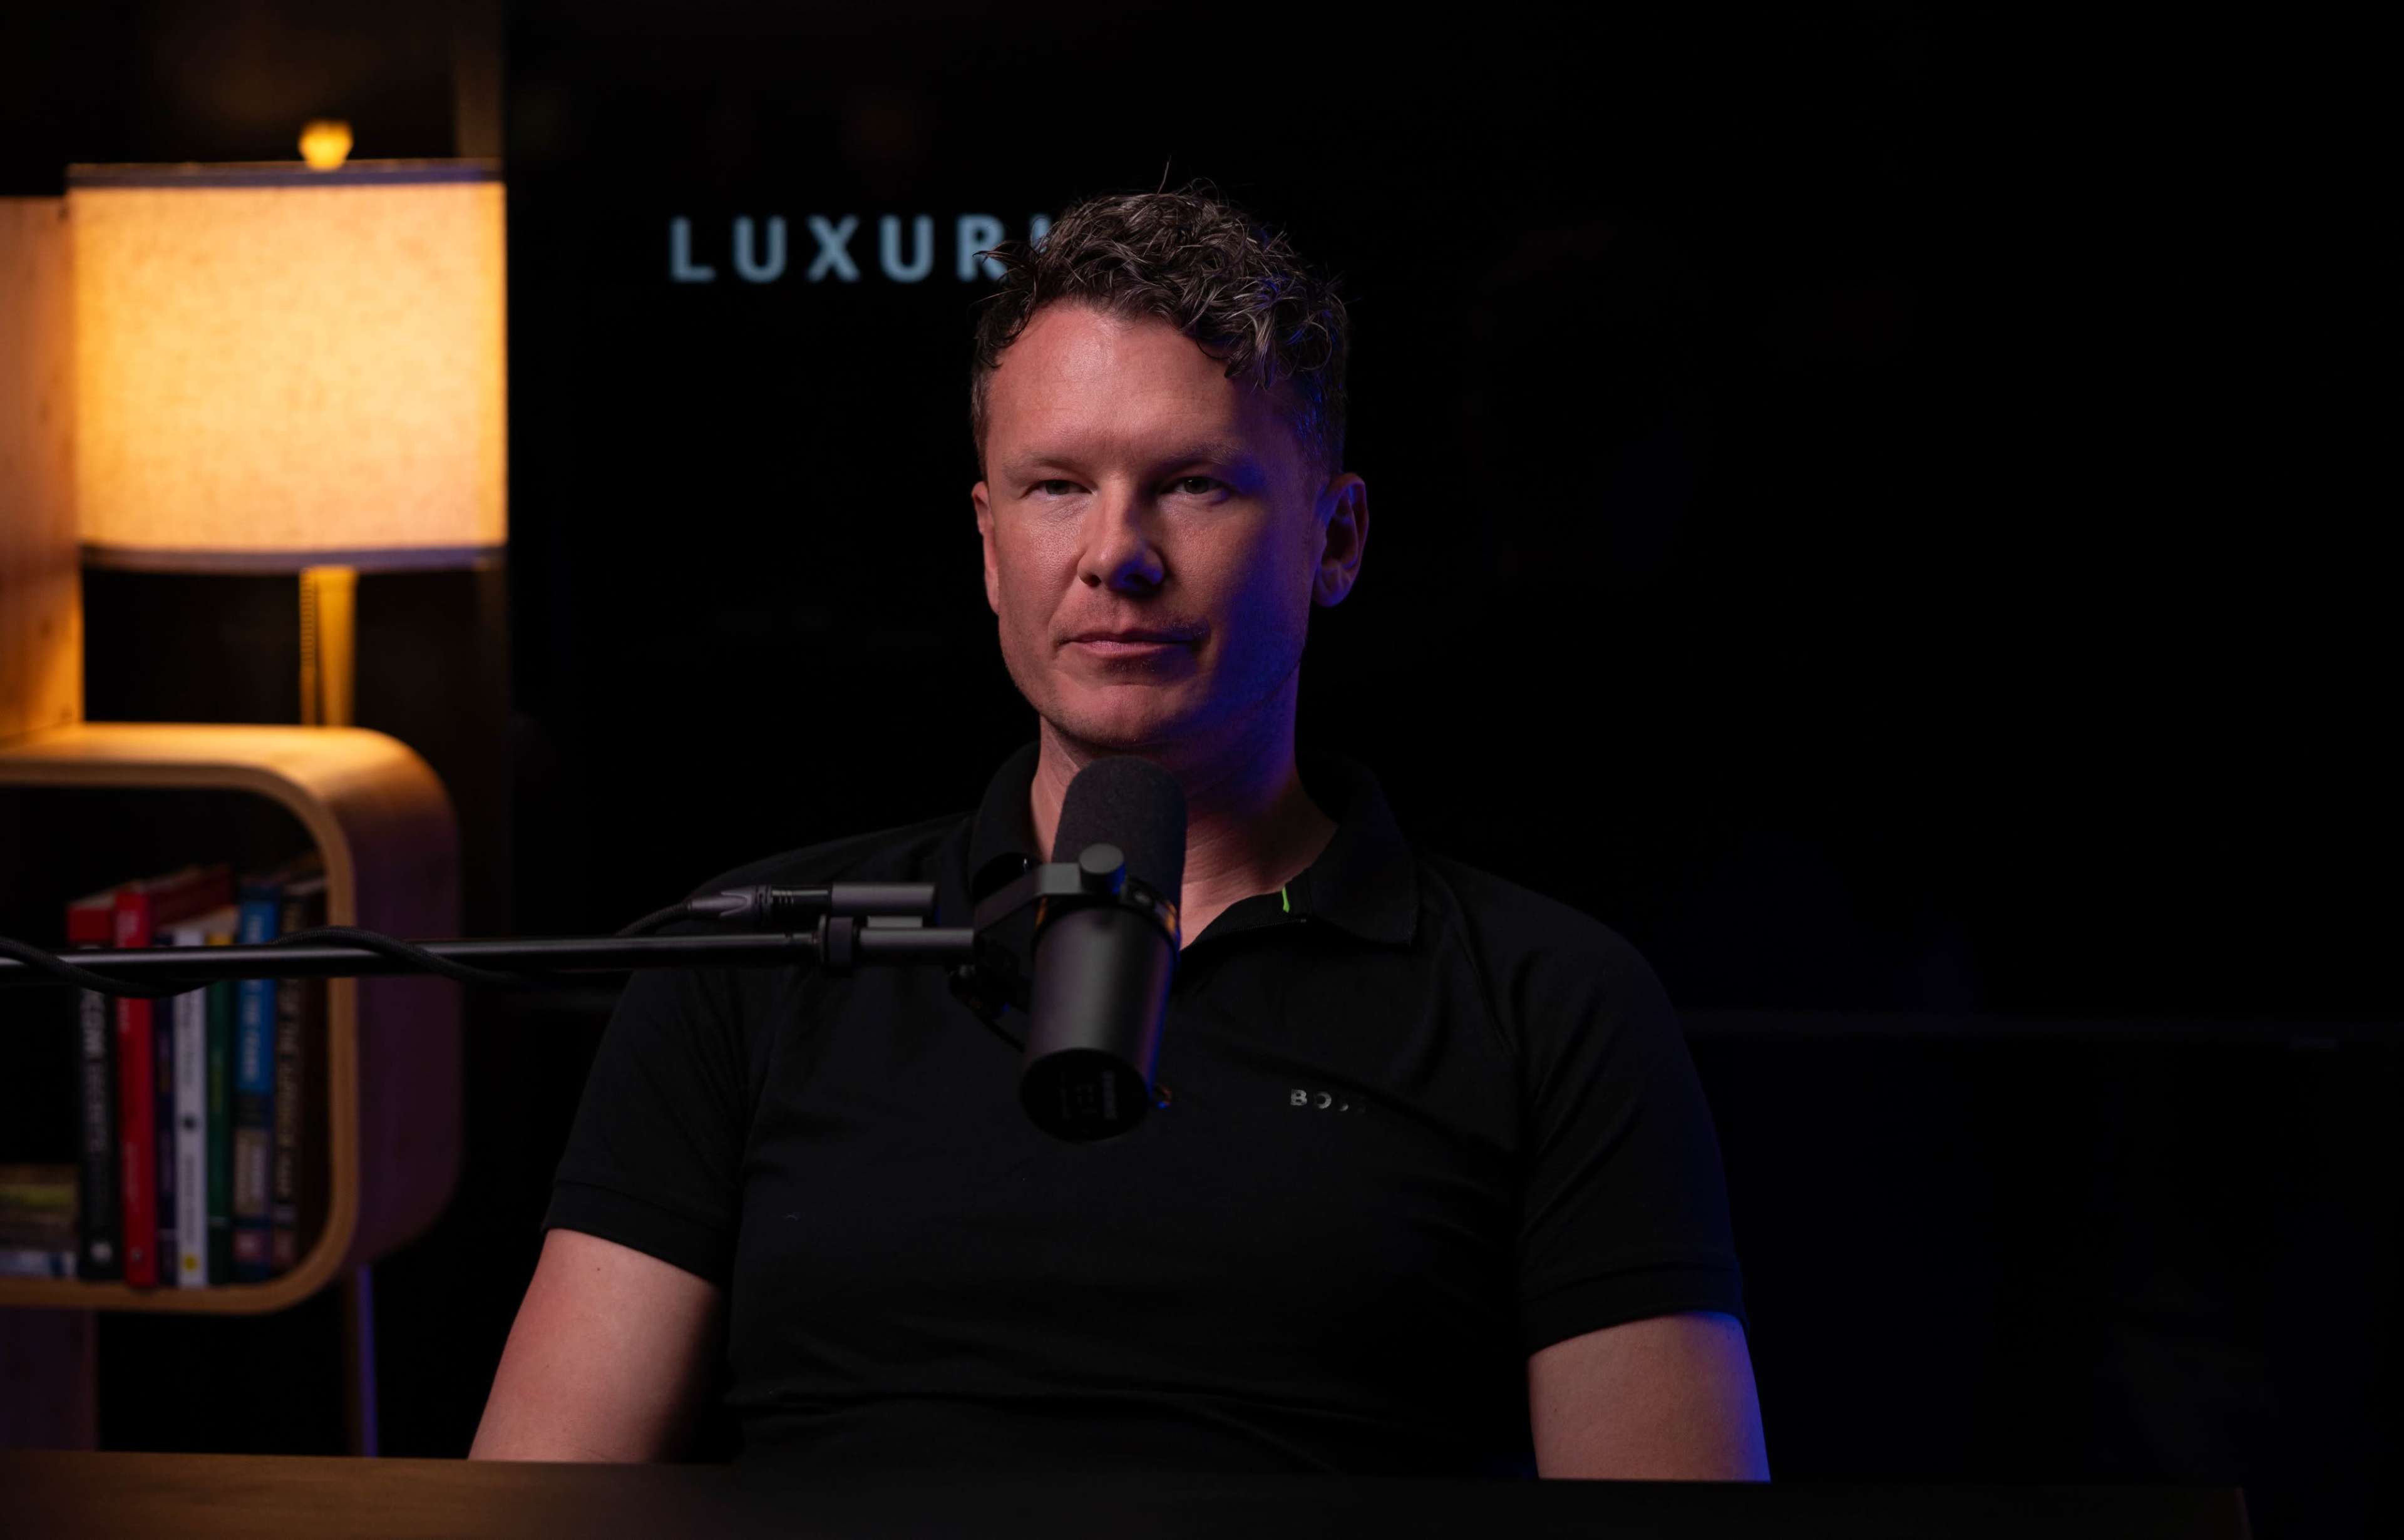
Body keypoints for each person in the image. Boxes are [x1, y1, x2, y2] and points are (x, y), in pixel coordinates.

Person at [471, 187, 1769, 1479]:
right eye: (1055, 487)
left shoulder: (1551, 1007)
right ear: (989, 546)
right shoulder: (760, 968)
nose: (1116, 554)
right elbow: (537, 1502)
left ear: (1340, 536)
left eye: (1193, 485)